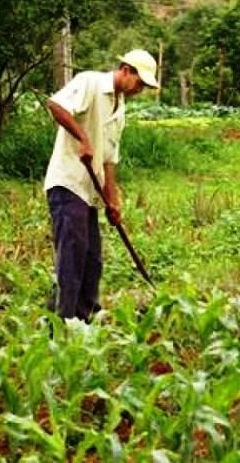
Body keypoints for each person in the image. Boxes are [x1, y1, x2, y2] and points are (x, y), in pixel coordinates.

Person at [44, 49, 158, 322]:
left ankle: (83, 317)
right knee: (73, 253)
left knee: (92, 258)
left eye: (144, 86)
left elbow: (108, 162)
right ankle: (63, 323)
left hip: (89, 192)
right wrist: (82, 138)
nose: (139, 89)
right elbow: (55, 105)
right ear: (125, 69)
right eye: (139, 82)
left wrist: (113, 202)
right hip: (68, 181)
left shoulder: (120, 111)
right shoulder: (91, 83)